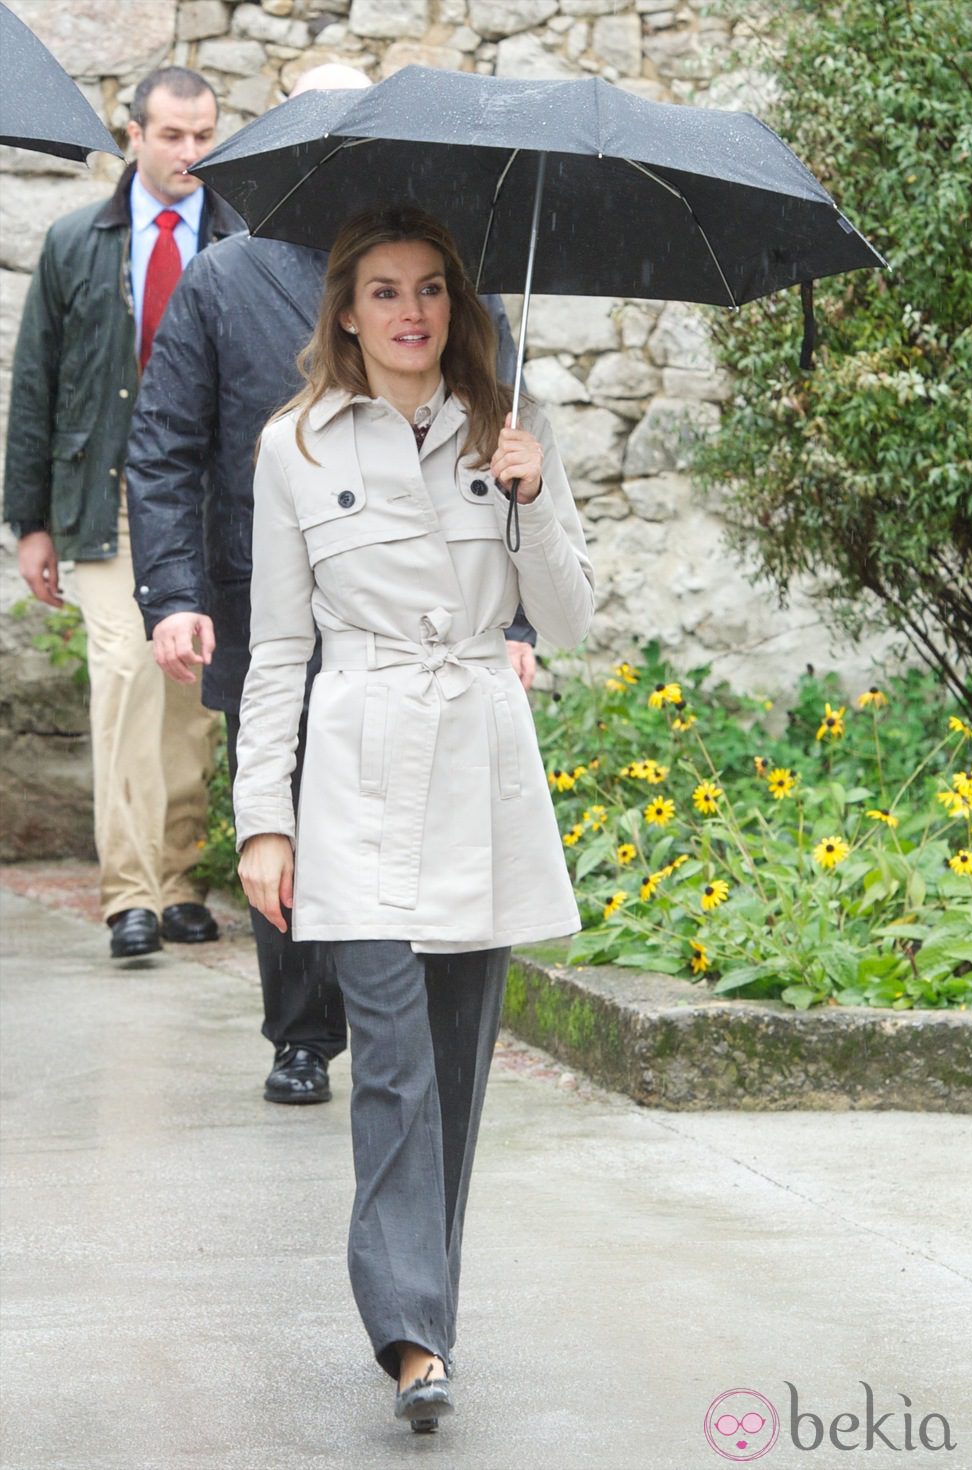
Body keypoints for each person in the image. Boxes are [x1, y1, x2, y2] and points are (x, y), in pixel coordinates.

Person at [232, 205, 594, 1431]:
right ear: (343, 310)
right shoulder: (294, 445)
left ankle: (425, 1317)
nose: (408, 313)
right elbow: (279, 649)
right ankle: (406, 1338)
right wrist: (261, 820)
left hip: (479, 769)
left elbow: (572, 618)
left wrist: (532, 498)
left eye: (429, 289)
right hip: (355, 767)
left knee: (451, 1067)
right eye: (382, 292)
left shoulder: (506, 437)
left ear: (456, 305)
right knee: (387, 1061)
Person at [126, 65, 537, 1106]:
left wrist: (520, 618)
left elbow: (500, 466)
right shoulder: (225, 277)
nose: (409, 307)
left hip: (416, 612)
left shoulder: (443, 279)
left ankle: (396, 1008)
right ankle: (302, 1029)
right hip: (266, 590)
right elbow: (166, 446)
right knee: (286, 796)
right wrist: (172, 591)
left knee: (391, 821)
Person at [3, 66, 241, 959]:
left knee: (191, 695)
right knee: (128, 677)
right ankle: (129, 893)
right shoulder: (77, 242)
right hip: (104, 501)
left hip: (204, 505)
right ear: (132, 136)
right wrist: (30, 520)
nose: (190, 153)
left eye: (204, 135)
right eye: (173, 135)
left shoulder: (236, 238)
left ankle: (179, 880)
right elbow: (35, 385)